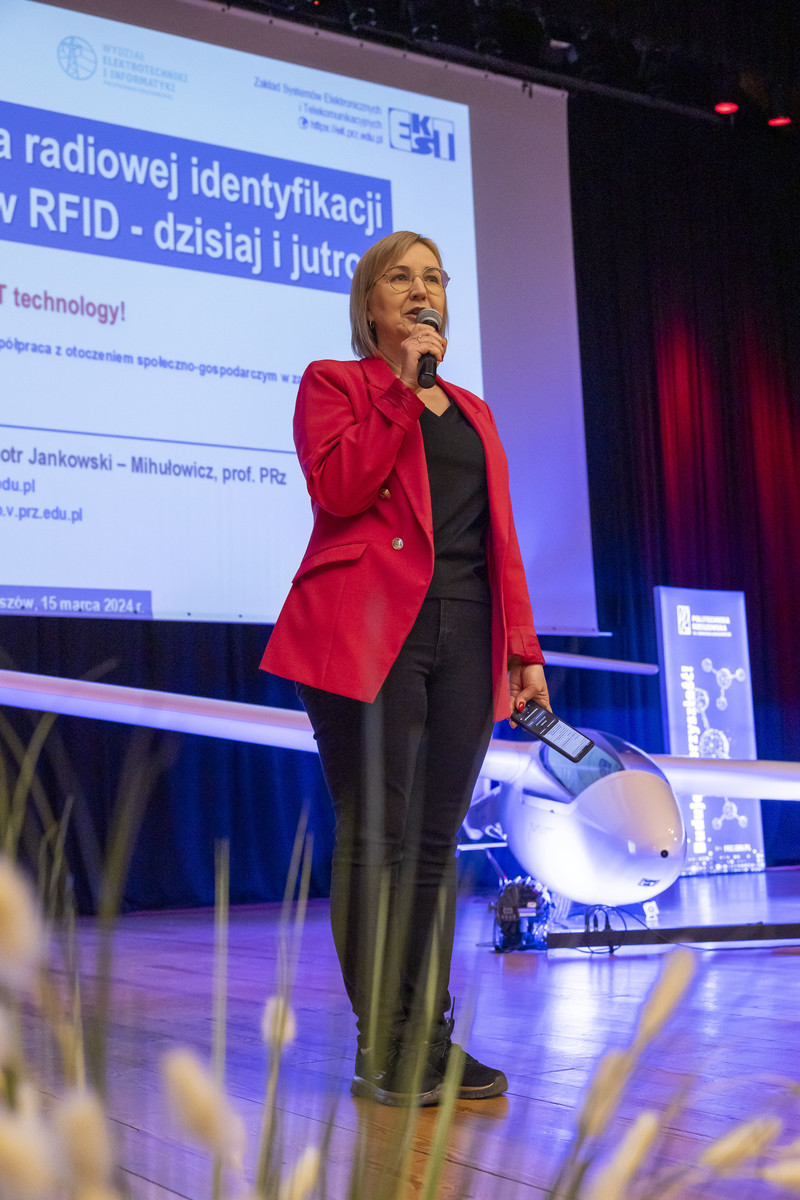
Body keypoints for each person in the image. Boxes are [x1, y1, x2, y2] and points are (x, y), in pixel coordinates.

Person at [261, 230, 549, 1106]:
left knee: (433, 843)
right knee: (377, 834)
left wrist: (523, 651)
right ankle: (380, 1046)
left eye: (434, 278)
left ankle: (429, 1039)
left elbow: (499, 541)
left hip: (468, 631)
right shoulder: (335, 384)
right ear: (371, 305)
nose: (423, 291)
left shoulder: (474, 411)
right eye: (402, 277)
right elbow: (342, 490)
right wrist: (399, 388)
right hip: (366, 628)